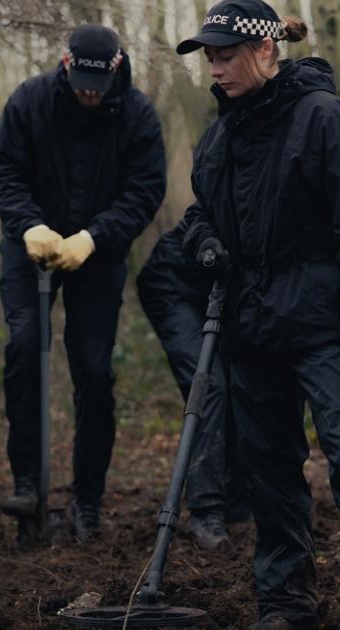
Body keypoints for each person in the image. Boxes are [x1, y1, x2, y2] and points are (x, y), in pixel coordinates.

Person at [175, 1, 340, 627]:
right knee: (268, 472)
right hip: (252, 330)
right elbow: (200, 212)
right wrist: (204, 242)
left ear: (265, 50)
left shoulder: (324, 120)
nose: (215, 69)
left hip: (327, 329)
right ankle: (286, 601)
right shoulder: (220, 135)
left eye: (225, 55)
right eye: (209, 58)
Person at [0, 23, 166, 541]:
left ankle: (88, 498)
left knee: (94, 370)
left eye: (98, 86)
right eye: (81, 84)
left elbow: (145, 189)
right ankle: (27, 482)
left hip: (98, 254)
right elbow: (1, 168)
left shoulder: (137, 115)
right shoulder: (30, 101)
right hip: (30, 246)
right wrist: (28, 224)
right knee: (25, 348)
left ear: (115, 69)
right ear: (66, 65)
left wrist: (95, 236)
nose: (89, 94)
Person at [137, 216, 250, 550]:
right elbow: (199, 221)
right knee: (210, 386)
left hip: (222, 291)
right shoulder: (244, 191)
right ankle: (205, 509)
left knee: (243, 383)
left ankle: (239, 502)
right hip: (173, 282)